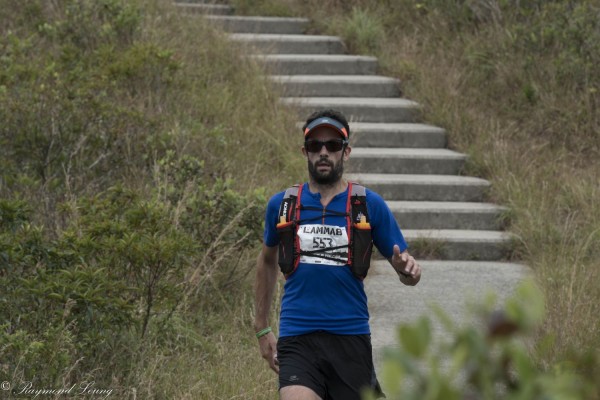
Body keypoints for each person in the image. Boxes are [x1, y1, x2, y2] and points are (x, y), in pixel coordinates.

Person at [254, 109, 421, 400]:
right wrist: (261, 327)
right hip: (297, 335)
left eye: (332, 145)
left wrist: (407, 271)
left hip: (350, 336)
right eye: (315, 145)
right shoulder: (282, 205)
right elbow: (266, 261)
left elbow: (408, 274)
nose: (323, 152)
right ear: (305, 152)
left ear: (345, 152)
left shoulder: (368, 205)